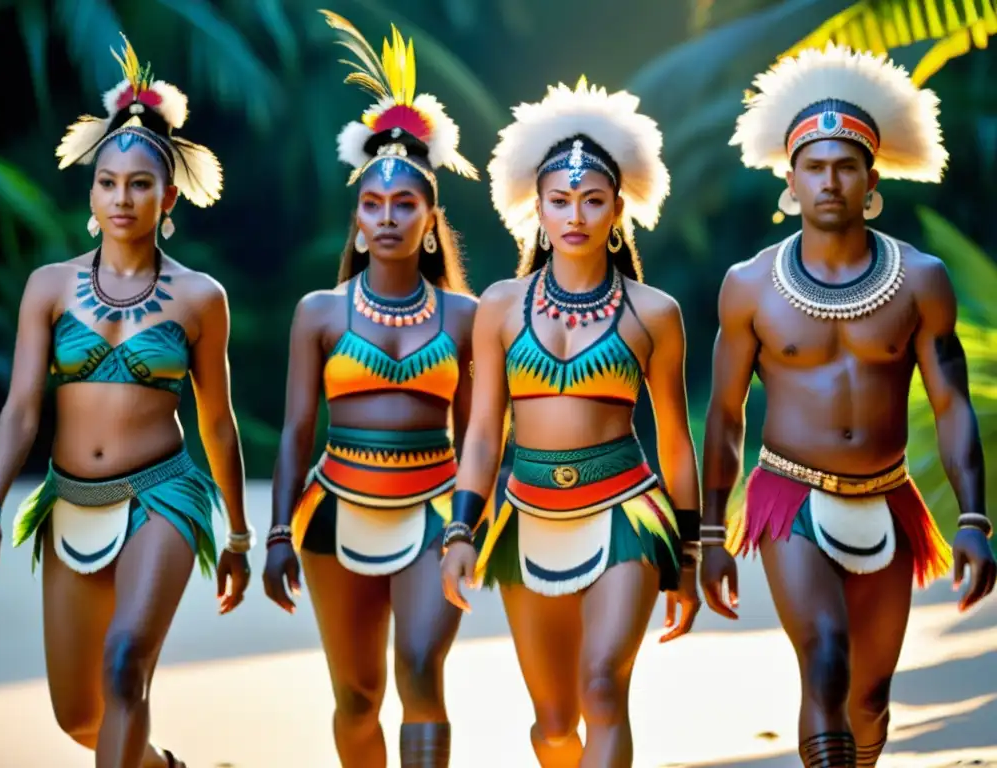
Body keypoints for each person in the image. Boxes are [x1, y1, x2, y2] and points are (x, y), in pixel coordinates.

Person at [701, 44, 997, 768]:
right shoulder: (748, 286)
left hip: (888, 500)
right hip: (787, 497)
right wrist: (711, 533)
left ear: (871, 180)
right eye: (814, 166)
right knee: (825, 660)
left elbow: (951, 402)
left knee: (869, 698)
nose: (829, 180)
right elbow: (727, 414)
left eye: (845, 166)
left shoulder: (920, 280)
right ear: (790, 179)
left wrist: (973, 518)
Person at [0, 35, 253, 768]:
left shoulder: (200, 297)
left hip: (163, 493)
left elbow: (216, 422)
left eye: (138, 185)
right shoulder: (49, 285)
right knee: (79, 717)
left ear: (167, 198)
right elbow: (22, 411)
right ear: (91, 194)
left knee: (127, 662)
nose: (121, 197)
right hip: (70, 498)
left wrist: (240, 536)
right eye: (107, 182)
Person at [440, 77, 702, 768]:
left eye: (592, 200)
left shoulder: (655, 313)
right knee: (554, 725)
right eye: (560, 201)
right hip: (525, 516)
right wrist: (461, 528)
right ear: (538, 210)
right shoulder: (498, 305)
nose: (576, 214)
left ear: (619, 209)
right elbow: (483, 428)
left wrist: (691, 554)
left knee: (602, 690)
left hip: (628, 512)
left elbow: (675, 437)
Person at [261, 12, 478, 768]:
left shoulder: (465, 317)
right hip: (334, 511)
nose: (387, 216)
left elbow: (483, 436)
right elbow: (295, 431)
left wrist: (473, 526)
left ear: (429, 219)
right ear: (356, 221)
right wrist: (279, 532)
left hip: (435, 511)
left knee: (421, 671)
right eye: (373, 205)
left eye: (405, 205)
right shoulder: (319, 314)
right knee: (356, 696)